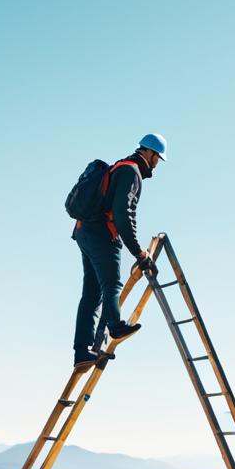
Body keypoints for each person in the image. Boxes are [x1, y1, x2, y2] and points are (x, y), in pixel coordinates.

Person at [71, 134, 167, 371]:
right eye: (157, 158)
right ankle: (115, 326)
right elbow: (124, 214)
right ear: (150, 153)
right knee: (111, 285)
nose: (157, 163)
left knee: (92, 293)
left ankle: (82, 352)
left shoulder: (120, 166)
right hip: (102, 234)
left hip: (85, 231)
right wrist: (139, 253)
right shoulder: (131, 172)